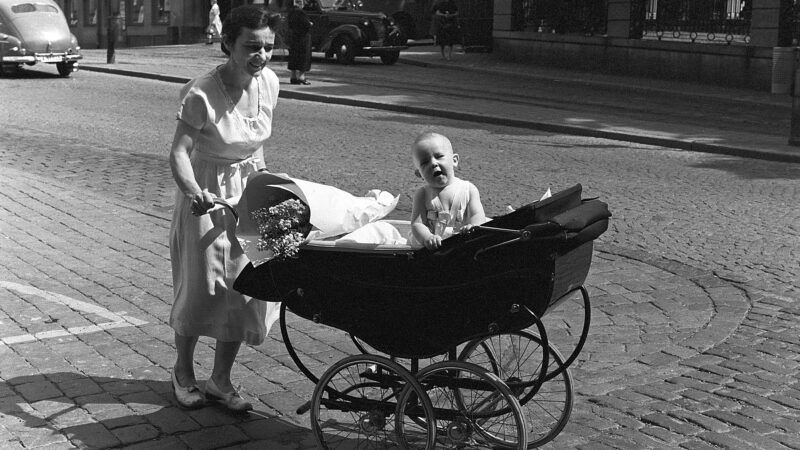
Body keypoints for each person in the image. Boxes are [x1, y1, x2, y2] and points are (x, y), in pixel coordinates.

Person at [168, 5, 281, 412]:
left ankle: (220, 380)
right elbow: (179, 152)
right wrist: (194, 190)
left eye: (268, 47)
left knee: (244, 288)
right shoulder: (201, 92)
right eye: (252, 47)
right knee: (202, 290)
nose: (262, 56)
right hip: (207, 193)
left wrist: (266, 187)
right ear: (228, 43)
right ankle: (183, 372)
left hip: (249, 189)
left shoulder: (268, 82)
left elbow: (256, 142)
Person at [410, 132, 487, 250]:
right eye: (425, 162)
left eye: (439, 156)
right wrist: (428, 238)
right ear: (418, 173)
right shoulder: (422, 194)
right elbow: (417, 224)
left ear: (454, 160)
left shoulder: (468, 189)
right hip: (431, 250)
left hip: (462, 246)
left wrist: (473, 225)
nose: (433, 163)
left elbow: (478, 214)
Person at [287, 0, 313, 85]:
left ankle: (293, 77)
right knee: (303, 58)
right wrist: (310, 23)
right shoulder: (301, 13)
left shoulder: (291, 13)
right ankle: (301, 77)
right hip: (303, 38)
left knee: (294, 57)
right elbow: (307, 24)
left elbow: (289, 24)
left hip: (294, 37)